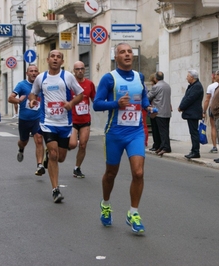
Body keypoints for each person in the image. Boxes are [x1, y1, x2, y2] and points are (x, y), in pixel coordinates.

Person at [93, 42, 154, 234]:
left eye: (129, 52)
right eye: (122, 52)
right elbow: (97, 104)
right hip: (115, 132)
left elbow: (142, 97)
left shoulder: (139, 76)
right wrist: (115, 103)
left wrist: (148, 107)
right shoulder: (109, 78)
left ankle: (133, 213)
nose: (127, 54)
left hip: (135, 132)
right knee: (111, 174)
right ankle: (106, 204)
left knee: (138, 173)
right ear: (116, 57)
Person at [29, 50, 84, 203]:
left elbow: (80, 94)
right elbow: (33, 93)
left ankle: (50, 156)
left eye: (58, 57)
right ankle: (55, 190)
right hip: (48, 123)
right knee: (53, 154)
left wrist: (71, 103)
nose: (55, 59)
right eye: (52, 56)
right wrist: (33, 100)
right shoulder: (41, 78)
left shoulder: (67, 77)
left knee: (60, 157)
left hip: (65, 123)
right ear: (48, 59)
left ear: (62, 61)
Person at [8, 64, 46, 176]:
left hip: (37, 118)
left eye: (35, 71)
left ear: (38, 73)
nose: (34, 73)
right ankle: (20, 149)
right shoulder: (22, 85)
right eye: (31, 71)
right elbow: (10, 98)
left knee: (39, 139)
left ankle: (39, 165)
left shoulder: (42, 85)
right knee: (23, 141)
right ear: (27, 73)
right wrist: (18, 101)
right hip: (24, 119)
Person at [68, 61, 96, 178]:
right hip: (72, 120)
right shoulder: (69, 84)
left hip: (85, 119)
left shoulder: (89, 84)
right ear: (74, 71)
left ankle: (77, 168)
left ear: (85, 70)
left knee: (83, 145)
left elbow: (95, 99)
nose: (80, 71)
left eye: (82, 69)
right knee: (73, 144)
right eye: (77, 69)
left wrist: (104, 105)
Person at [178, 70, 204, 159]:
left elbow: (190, 98)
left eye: (188, 76)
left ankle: (196, 151)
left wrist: (181, 107)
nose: (186, 78)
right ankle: (193, 150)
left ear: (192, 77)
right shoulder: (193, 86)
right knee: (192, 132)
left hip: (193, 113)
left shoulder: (197, 87)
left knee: (194, 133)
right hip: (191, 113)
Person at [147, 71, 172, 156]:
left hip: (159, 111)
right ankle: (162, 146)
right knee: (165, 130)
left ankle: (165, 147)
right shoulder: (167, 86)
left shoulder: (156, 87)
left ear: (155, 78)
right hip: (167, 111)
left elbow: (148, 96)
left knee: (162, 131)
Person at [202, 72, 219, 153]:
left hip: (212, 108)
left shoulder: (210, 86)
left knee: (213, 127)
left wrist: (204, 111)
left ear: (213, 77)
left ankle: (214, 146)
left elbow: (207, 100)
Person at [148, 73, 161, 152]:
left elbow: (148, 97)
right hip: (160, 110)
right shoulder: (162, 87)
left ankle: (156, 145)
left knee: (155, 129)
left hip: (154, 110)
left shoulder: (155, 88)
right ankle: (158, 144)